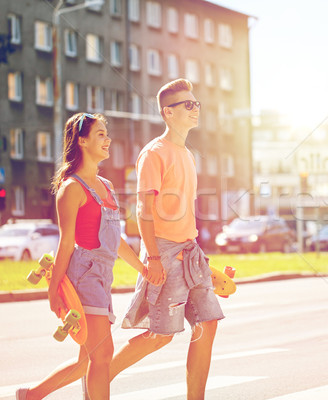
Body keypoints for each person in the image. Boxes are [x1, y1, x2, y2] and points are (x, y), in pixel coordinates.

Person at [16, 112, 147, 400]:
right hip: (84, 274)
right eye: (101, 134)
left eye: (106, 133)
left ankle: (30, 395)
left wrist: (143, 268)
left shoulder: (107, 186)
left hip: (102, 276)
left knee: (86, 360)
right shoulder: (71, 188)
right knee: (103, 355)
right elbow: (66, 245)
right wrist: (54, 290)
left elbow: (117, 241)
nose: (108, 139)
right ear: (82, 141)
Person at [115, 78, 225, 399]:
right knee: (160, 335)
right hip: (163, 252)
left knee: (208, 324)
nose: (195, 109)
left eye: (196, 104)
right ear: (168, 113)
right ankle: (98, 379)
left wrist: (200, 259)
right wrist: (152, 257)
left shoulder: (187, 154)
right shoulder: (154, 153)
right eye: (187, 105)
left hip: (190, 253)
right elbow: (143, 210)